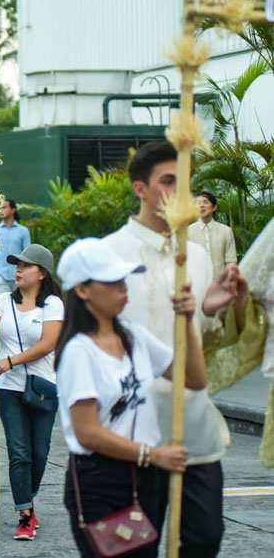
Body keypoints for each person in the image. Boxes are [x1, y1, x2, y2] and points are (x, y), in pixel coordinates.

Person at [104, 141, 250, 557]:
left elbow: (211, 338)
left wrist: (213, 307)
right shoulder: (111, 254)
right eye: (167, 181)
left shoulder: (201, 257)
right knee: (130, 546)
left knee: (205, 537)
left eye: (183, 183)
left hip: (193, 421)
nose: (177, 192)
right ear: (140, 189)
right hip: (133, 425)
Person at [55, 237, 207, 558]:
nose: (122, 287)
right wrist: (152, 455)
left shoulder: (135, 337)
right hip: (102, 481)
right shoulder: (79, 352)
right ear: (82, 290)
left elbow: (193, 378)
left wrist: (188, 320)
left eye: (122, 279)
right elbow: (88, 433)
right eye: (112, 281)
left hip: (145, 478)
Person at [0, 244, 63, 540]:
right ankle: (25, 515)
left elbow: (48, 343)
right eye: (16, 265)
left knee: (40, 454)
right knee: (19, 453)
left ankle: (29, 497)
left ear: (41, 272)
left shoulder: (52, 304)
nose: (18, 270)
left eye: (25, 265)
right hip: (9, 388)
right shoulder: (3, 300)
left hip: (42, 387)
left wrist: (10, 361)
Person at [189, 190, 237, 281]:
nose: (201, 205)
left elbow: (231, 261)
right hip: (196, 285)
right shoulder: (188, 232)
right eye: (198, 203)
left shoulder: (226, 231)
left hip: (220, 285)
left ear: (214, 207)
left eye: (205, 202)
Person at [0, 199, 31, 297]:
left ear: (13, 210)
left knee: (18, 307)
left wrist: (27, 275)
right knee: (3, 306)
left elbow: (27, 255)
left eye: (4, 208)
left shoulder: (23, 231)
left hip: (19, 275)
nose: (0, 211)